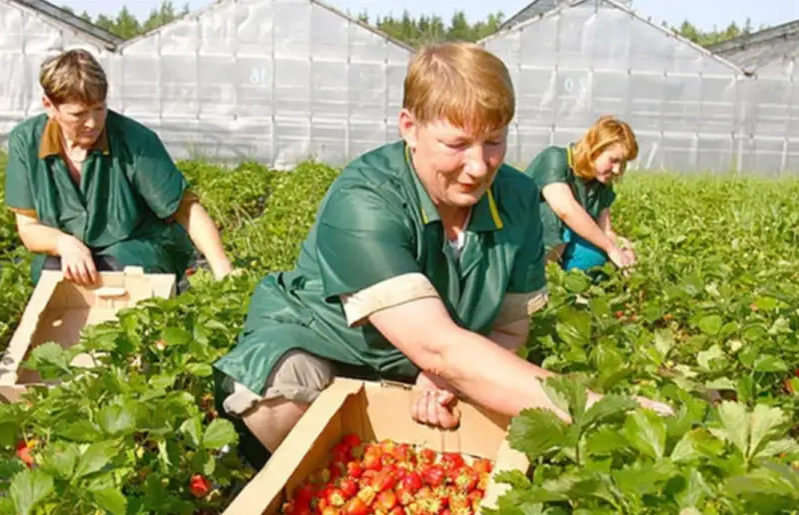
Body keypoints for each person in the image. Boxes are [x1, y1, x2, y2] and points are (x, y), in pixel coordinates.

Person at [212, 43, 668, 468]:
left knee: (496, 410)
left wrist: (444, 374)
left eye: (494, 141)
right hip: (329, 347)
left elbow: (510, 327)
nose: (478, 166)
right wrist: (601, 410)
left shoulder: (517, 199)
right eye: (457, 144)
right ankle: (302, 486)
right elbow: (438, 346)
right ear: (409, 127)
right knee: (279, 390)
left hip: (432, 355)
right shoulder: (365, 198)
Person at [4, 49, 234, 286]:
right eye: (79, 114)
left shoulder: (134, 140)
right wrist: (63, 243)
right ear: (49, 106)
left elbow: (186, 210)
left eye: (99, 108)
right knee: (51, 274)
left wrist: (223, 271)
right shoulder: (27, 142)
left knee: (114, 272)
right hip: (74, 250)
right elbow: (28, 227)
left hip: (139, 247)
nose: (92, 123)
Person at [524, 116, 638, 273]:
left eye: (623, 163)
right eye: (613, 160)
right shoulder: (555, 159)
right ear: (595, 149)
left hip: (564, 244)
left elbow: (606, 230)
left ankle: (569, 287)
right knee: (554, 218)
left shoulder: (600, 185)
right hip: (525, 239)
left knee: (596, 257)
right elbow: (566, 211)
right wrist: (610, 248)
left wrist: (623, 249)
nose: (617, 170)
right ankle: (538, 279)